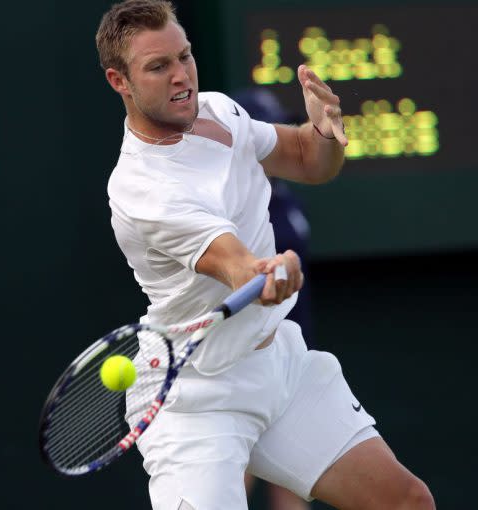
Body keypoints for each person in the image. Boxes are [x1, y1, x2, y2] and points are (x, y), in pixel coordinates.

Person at [96, 2, 436, 509]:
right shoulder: (143, 189)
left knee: (406, 502)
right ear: (119, 81)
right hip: (196, 399)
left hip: (277, 366)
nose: (180, 75)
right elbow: (233, 263)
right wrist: (266, 270)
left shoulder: (217, 112)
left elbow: (305, 158)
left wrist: (324, 132)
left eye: (184, 56)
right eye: (158, 66)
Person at [232, 88, 313, 510]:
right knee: (234, 485)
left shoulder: (281, 195)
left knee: (294, 484)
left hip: (293, 364)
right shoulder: (235, 209)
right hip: (248, 366)